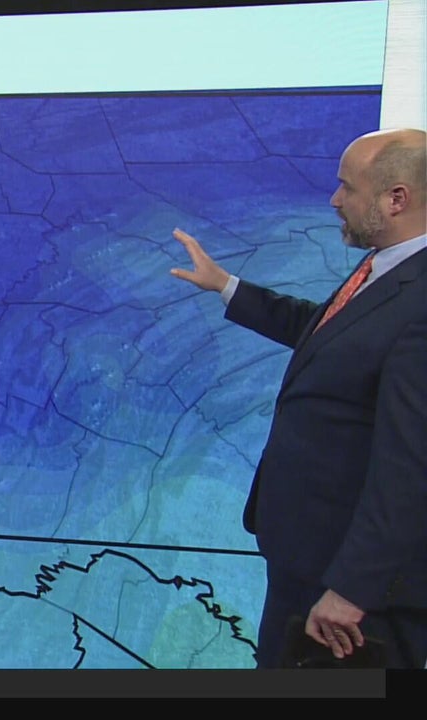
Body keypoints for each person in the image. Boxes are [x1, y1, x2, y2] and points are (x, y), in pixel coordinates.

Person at [169, 127, 427, 669]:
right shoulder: (388, 268)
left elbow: (410, 467)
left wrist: (352, 589)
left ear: (396, 199)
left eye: (347, 187)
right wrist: (227, 286)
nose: (335, 199)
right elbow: (333, 336)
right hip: (311, 563)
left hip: (354, 599)